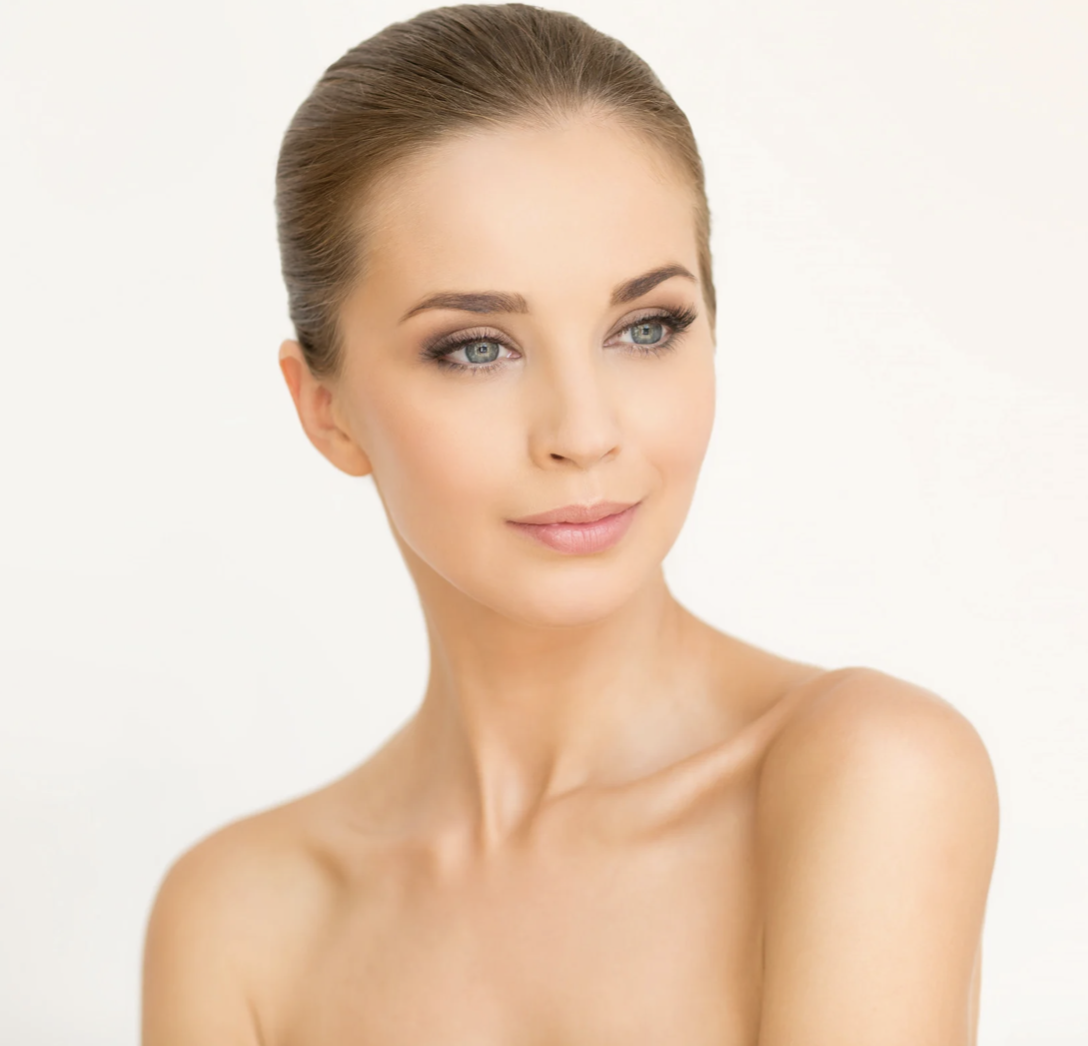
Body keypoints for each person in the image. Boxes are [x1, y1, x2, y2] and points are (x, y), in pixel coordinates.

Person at [141, 5, 999, 1043]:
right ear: (325, 408)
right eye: (476, 348)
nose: (584, 433)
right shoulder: (237, 921)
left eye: (645, 328)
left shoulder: (866, 771)